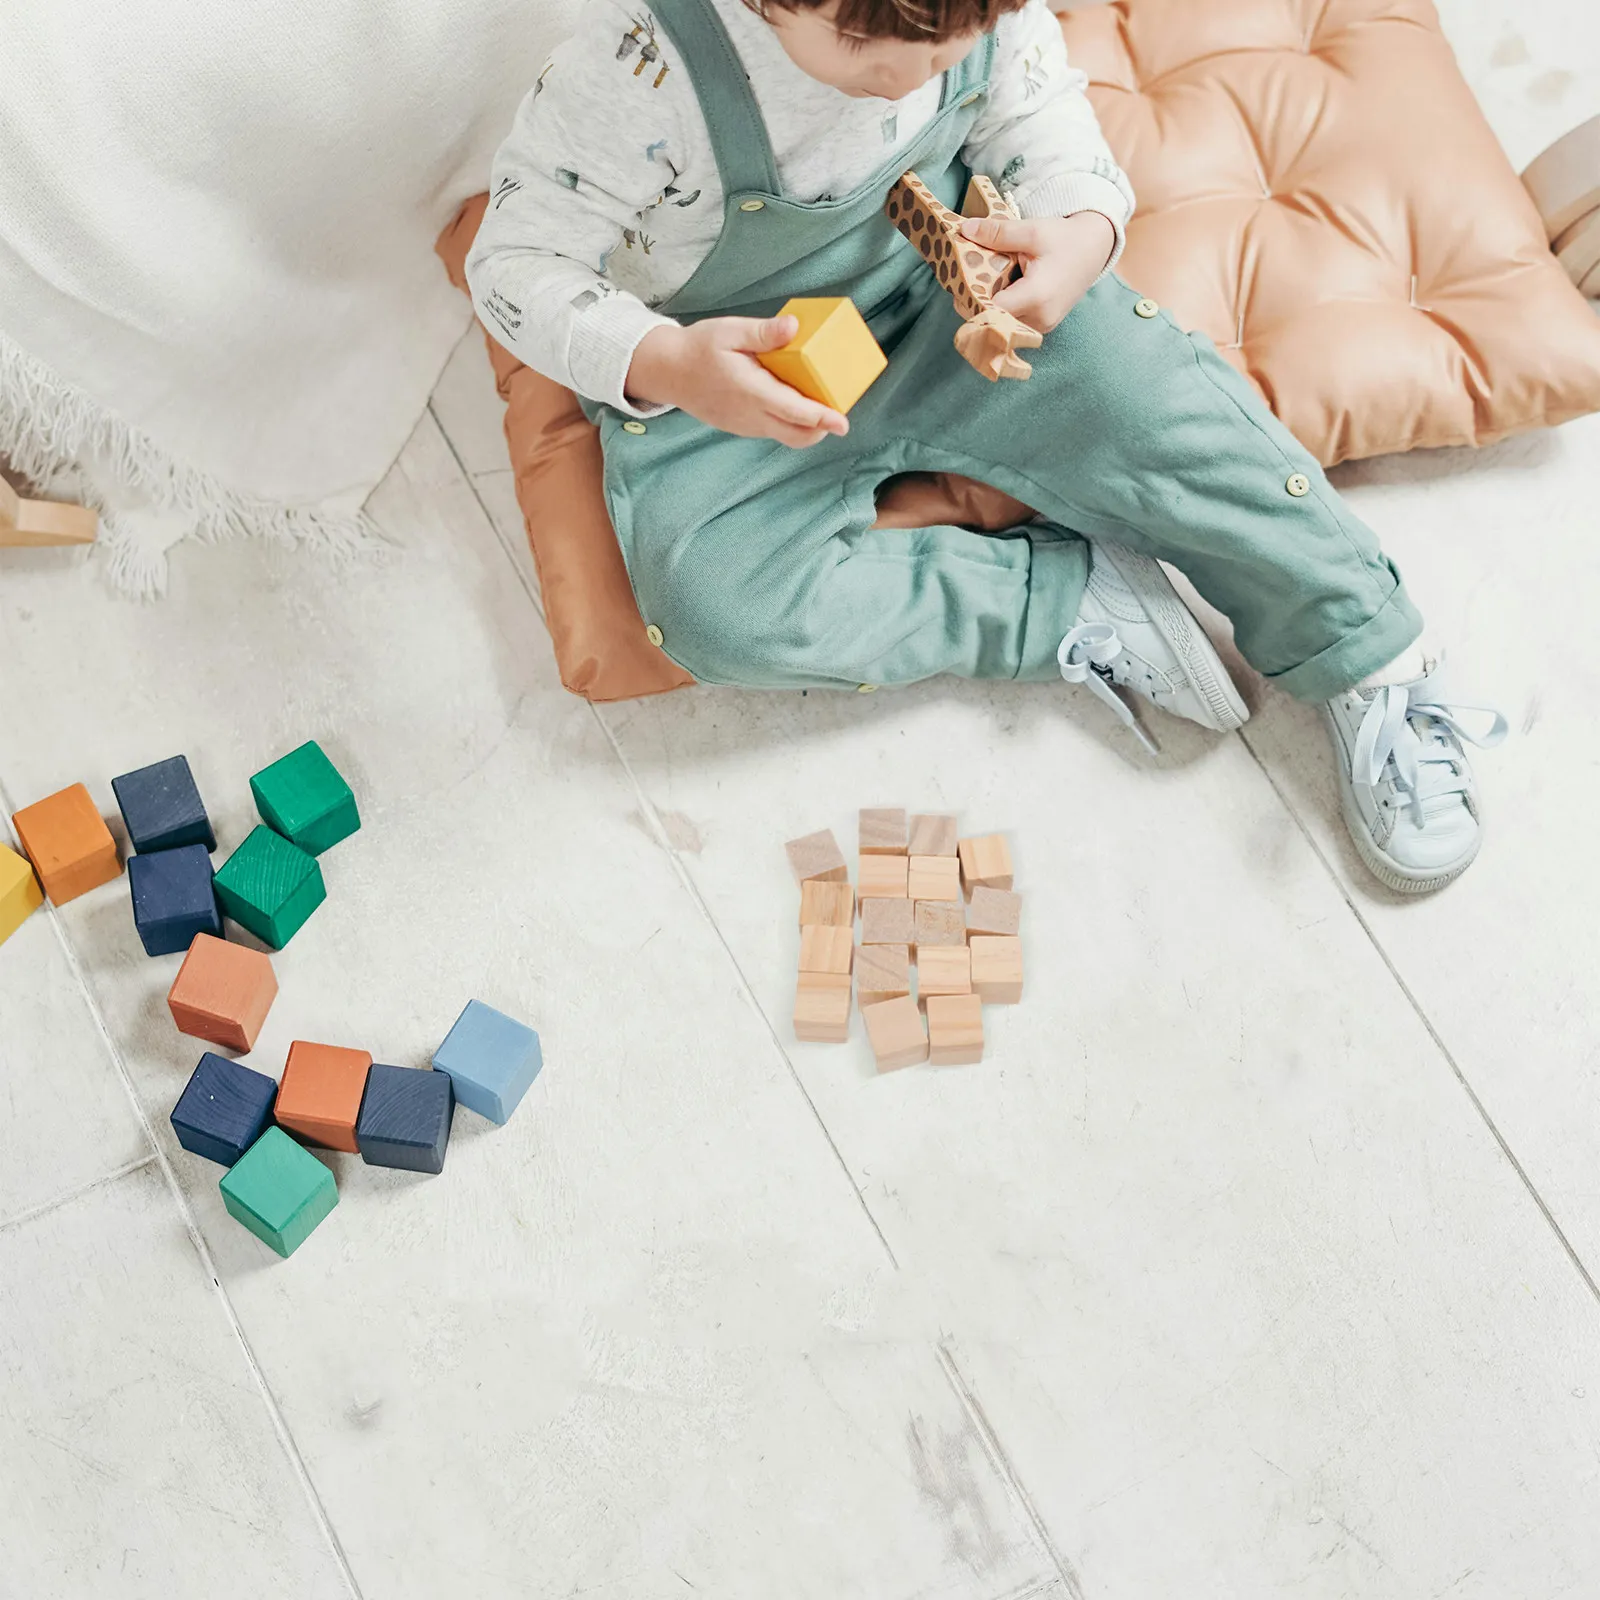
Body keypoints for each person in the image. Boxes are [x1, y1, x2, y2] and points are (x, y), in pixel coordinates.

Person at [467, 0, 1504, 892]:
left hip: (946, 301)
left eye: (946, 49)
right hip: (737, 373)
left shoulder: (971, 18)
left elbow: (1040, 112)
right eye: (874, 60)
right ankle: (1060, 602)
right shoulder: (634, 72)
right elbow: (514, 262)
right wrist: (665, 362)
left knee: (1156, 401)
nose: (908, 85)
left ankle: (1369, 648)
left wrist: (1080, 233)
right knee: (709, 599)